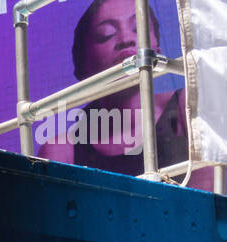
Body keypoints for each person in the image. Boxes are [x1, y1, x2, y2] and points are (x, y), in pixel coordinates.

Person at [37, 0, 212, 191]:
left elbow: (207, 209)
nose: (126, 39)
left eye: (138, 28)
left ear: (157, 49)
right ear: (82, 64)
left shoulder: (189, 106)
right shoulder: (61, 151)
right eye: (106, 34)